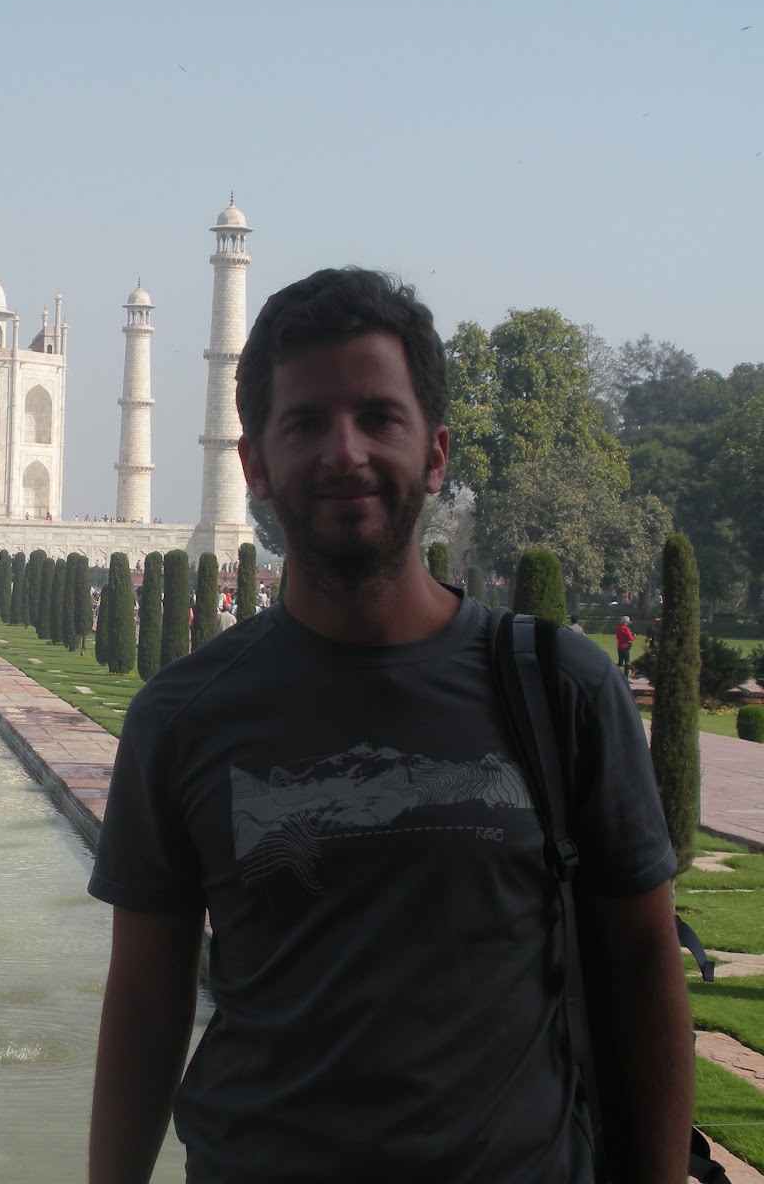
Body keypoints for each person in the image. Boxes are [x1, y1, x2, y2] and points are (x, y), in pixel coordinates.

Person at [87, 268, 689, 1183]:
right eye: (305, 424)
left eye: (378, 418)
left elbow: (644, 963)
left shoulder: (560, 688)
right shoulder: (183, 718)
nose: (345, 452)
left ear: (435, 453)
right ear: (253, 465)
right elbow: (144, 1000)